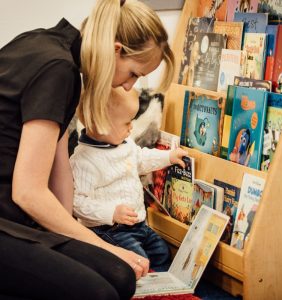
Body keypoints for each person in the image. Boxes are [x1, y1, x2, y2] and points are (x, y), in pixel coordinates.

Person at [0, 0, 175, 299]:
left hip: (14, 215)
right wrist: (104, 246)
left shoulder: (53, 47)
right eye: (134, 73)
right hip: (8, 218)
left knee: (120, 275)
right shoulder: (58, 69)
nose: (130, 86)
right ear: (117, 50)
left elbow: (59, 167)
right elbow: (28, 192)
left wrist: (80, 242)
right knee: (101, 292)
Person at [70, 87, 187, 272]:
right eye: (127, 122)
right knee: (137, 261)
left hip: (139, 225)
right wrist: (111, 213)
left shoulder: (126, 144)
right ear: (102, 124)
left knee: (162, 252)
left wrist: (168, 157)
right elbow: (77, 202)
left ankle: (161, 287)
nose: (131, 127)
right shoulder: (84, 160)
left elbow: (141, 159)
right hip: (108, 230)